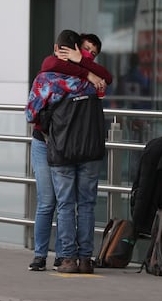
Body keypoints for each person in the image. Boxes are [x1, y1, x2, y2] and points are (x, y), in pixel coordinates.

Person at [25, 30, 112, 272]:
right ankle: (82, 258)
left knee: (61, 203)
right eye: (85, 51)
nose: (87, 55)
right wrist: (85, 69)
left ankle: (66, 258)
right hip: (86, 147)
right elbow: (105, 80)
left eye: (92, 54)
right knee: (84, 204)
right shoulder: (92, 81)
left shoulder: (47, 80)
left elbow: (30, 114)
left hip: (61, 146)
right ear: (71, 49)